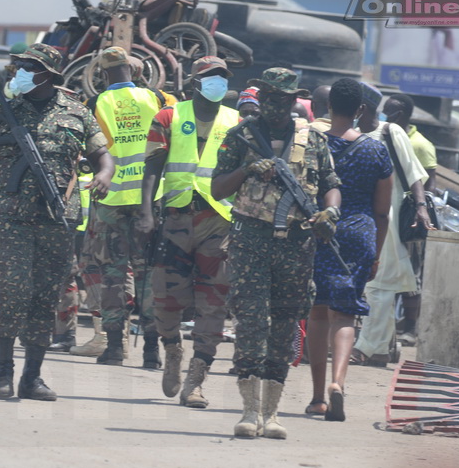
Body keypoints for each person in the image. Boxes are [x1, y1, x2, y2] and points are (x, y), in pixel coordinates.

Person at [0, 43, 114, 401]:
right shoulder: (7, 114)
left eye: (29, 67)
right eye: (20, 66)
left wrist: (105, 176)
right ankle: (3, 371)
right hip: (13, 219)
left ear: (48, 74)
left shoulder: (77, 113)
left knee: (45, 298)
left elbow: (102, 156)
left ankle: (32, 376)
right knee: (13, 292)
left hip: (57, 221)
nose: (21, 72)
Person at [211, 67, 342, 439]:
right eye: (267, 98)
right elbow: (217, 188)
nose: (273, 106)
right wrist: (249, 170)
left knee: (285, 325)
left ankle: (272, 412)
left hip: (297, 243)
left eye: (281, 99)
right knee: (251, 322)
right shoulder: (241, 137)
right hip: (251, 239)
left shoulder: (313, 140)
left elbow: (331, 185)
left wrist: (329, 211)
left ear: (291, 101)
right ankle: (249, 411)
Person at [137, 56, 238, 408]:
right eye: (211, 77)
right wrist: (146, 212)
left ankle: (196, 378)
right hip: (176, 218)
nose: (218, 83)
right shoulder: (168, 115)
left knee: (214, 303)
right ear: (196, 81)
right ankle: (172, 350)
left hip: (218, 221)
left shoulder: (236, 120)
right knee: (165, 299)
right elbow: (152, 167)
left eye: (223, 77)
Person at [305, 79, 393, 421]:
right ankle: (338, 383)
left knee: (316, 311)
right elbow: (382, 211)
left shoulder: (312, 144)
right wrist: (376, 251)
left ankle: (317, 397)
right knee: (345, 314)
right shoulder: (375, 150)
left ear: (328, 108)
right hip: (358, 235)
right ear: (360, 110)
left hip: (317, 231)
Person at [73, 46, 164, 367]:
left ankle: (114, 347)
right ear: (133, 69)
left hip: (111, 201)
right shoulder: (155, 98)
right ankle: (152, 351)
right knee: (149, 276)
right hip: (150, 201)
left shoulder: (96, 103)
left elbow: (89, 149)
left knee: (113, 275)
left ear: (102, 73)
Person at [352, 84, 431, 365]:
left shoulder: (390, 132)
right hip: (359, 219)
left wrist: (421, 207)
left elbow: (414, 174)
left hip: (388, 218)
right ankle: (382, 349)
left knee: (380, 284)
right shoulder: (353, 135)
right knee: (372, 284)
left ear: (364, 107)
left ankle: (365, 347)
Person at [382, 93, 438, 347]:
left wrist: (419, 207)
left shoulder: (421, 144)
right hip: (388, 211)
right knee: (388, 270)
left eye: (389, 110)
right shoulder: (384, 134)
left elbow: (429, 182)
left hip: (409, 216)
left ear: (401, 113)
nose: (385, 114)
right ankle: (388, 328)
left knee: (411, 273)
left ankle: (411, 329)